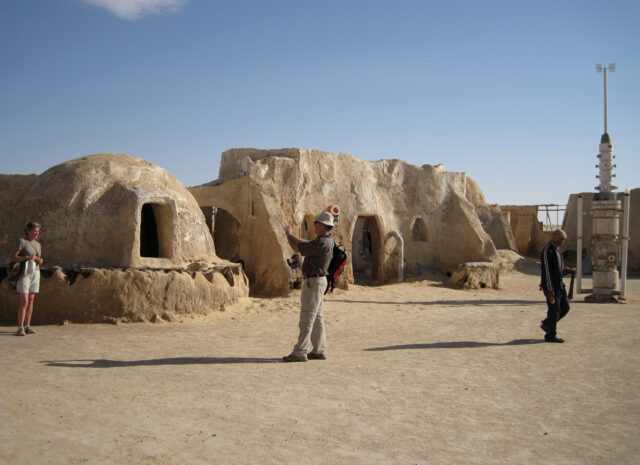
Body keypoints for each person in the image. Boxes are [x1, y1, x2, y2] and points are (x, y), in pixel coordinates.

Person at [282, 211, 335, 362]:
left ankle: (300, 351)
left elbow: (300, 246)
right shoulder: (326, 241)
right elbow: (302, 246)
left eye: (316, 223)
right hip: (318, 281)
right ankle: (319, 350)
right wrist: (291, 236)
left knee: (307, 317)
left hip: (314, 282)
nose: (314, 226)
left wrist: (290, 234)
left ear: (321, 225)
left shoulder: (322, 242)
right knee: (317, 317)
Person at [540, 229, 575, 343]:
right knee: (554, 310)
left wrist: (568, 270)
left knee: (565, 308)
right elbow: (547, 272)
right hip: (551, 287)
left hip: (560, 286)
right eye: (562, 240)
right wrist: (550, 289)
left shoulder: (557, 251)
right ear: (558, 239)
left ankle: (547, 324)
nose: (563, 242)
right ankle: (550, 335)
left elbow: (559, 270)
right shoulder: (547, 251)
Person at [11, 222, 44, 336]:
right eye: (34, 231)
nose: (36, 233)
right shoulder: (22, 242)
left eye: (38, 231)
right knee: (24, 300)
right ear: (28, 231)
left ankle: (27, 325)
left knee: (31, 299)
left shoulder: (38, 244)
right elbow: (14, 257)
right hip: (25, 272)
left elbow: (38, 257)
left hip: (36, 271)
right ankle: (20, 327)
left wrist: (40, 260)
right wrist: (27, 257)